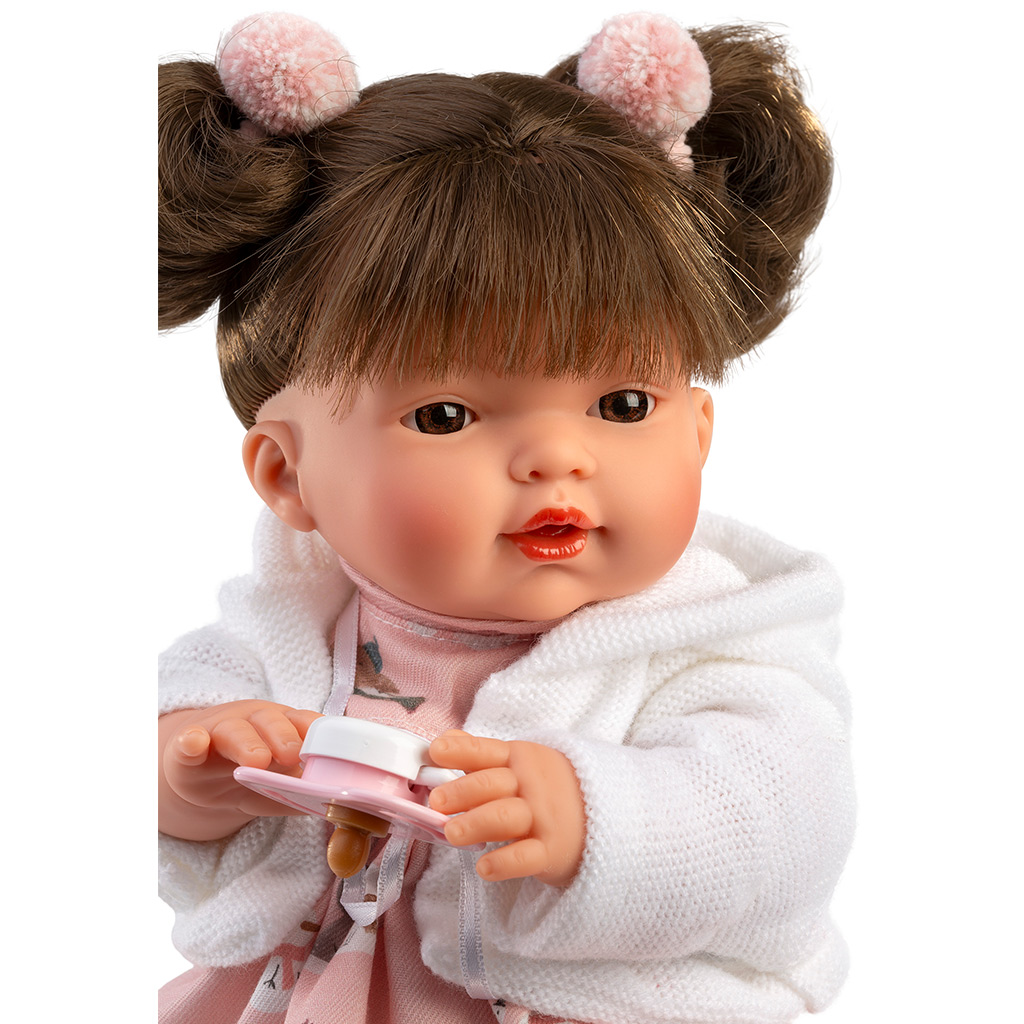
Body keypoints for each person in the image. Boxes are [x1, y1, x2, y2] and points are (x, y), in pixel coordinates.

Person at [157, 11, 854, 1023]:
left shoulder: (708, 648)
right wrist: (192, 776)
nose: (557, 457)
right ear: (286, 473)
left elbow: (783, 822)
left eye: (623, 404)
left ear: (699, 433)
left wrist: (592, 817)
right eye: (447, 416)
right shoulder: (283, 636)